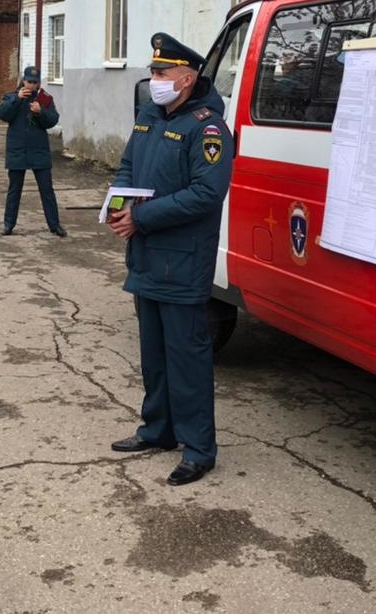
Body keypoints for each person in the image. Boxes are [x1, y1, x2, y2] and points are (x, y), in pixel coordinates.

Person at [106, 33, 234, 486]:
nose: (153, 79)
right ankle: (158, 430)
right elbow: (127, 165)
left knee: (187, 358)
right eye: (153, 71)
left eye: (161, 73)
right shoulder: (149, 115)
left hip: (182, 260)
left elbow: (206, 193)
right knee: (154, 354)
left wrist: (142, 219)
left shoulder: (209, 128)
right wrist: (119, 205)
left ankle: (198, 449)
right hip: (145, 256)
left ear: (187, 77)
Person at [0, 66, 65, 238]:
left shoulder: (44, 99)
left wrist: (41, 112)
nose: (31, 85)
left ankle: (54, 225)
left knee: (47, 189)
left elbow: (53, 120)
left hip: (39, 150)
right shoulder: (11, 96)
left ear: (38, 83)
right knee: (14, 190)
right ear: (23, 81)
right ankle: (8, 224)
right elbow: (2, 114)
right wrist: (17, 100)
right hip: (17, 150)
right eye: (28, 82)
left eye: (34, 82)